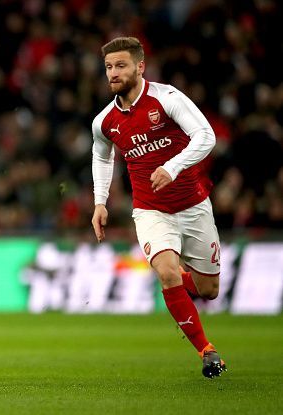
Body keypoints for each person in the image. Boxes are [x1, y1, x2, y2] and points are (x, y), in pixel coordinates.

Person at [90, 37, 226, 379]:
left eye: (120, 65)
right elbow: (101, 155)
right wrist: (100, 201)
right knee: (166, 272)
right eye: (108, 67)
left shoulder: (167, 98)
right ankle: (207, 351)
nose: (113, 73)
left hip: (193, 205)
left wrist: (172, 167)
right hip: (151, 211)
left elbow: (206, 136)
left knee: (209, 290)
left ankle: (180, 281)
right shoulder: (104, 121)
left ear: (140, 66)